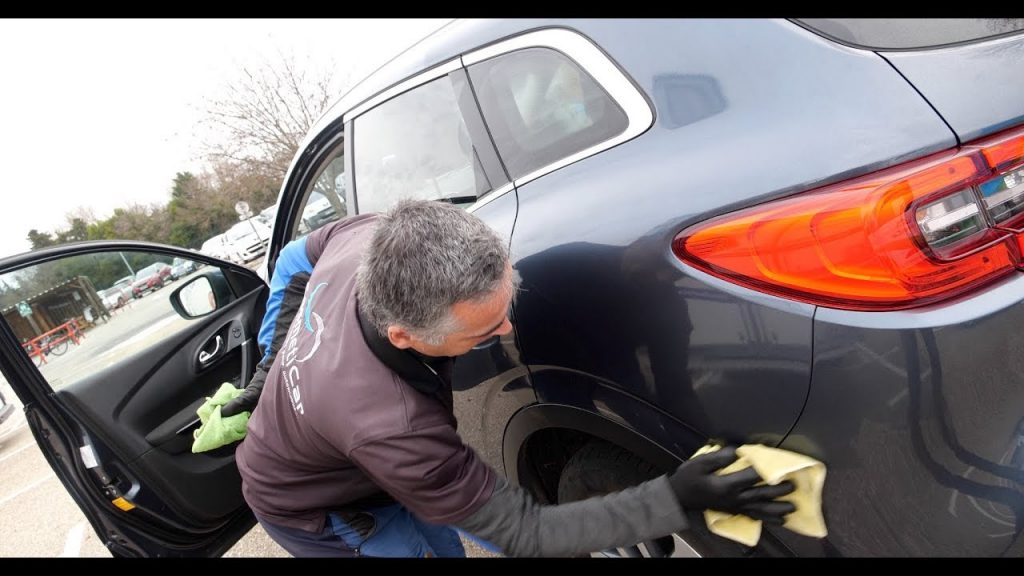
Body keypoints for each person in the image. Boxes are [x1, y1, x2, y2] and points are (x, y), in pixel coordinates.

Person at [230, 199, 796, 557]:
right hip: (315, 505)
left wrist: (268, 367)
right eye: (480, 330)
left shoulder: (370, 238)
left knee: (445, 527)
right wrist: (674, 498)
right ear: (403, 334)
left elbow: (289, 263)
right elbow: (526, 533)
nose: (504, 330)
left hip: (355, 451)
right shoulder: (390, 425)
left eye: (507, 303)